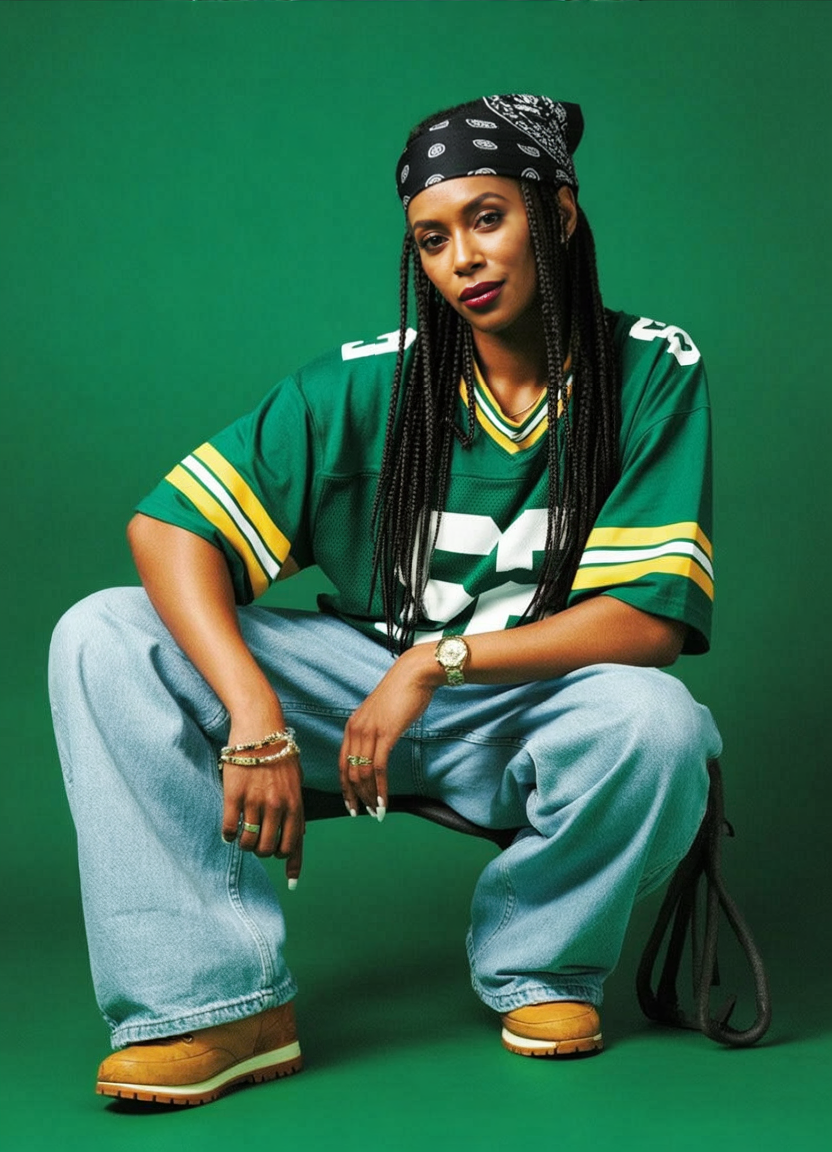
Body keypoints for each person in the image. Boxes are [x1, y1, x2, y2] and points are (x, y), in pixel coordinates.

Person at [49, 94, 722, 1106]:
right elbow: (169, 528)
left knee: (660, 724)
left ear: (560, 214)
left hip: (528, 704)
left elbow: (647, 622)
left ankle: (541, 963)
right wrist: (254, 710)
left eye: (488, 217)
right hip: (348, 693)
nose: (464, 258)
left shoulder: (649, 370)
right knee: (102, 630)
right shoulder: (370, 381)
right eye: (433, 237)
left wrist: (436, 662)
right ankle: (217, 1005)